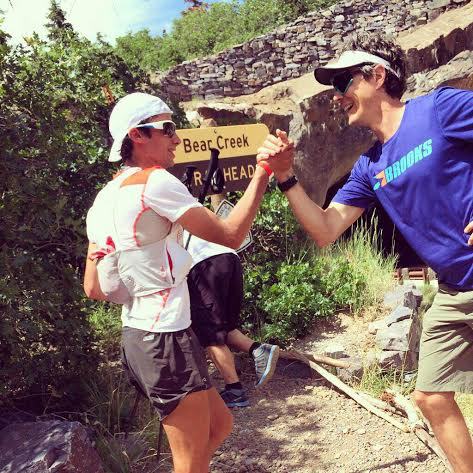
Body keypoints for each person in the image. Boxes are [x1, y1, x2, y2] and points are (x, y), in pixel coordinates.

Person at [257, 33, 473, 473]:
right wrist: (285, 176)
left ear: (378, 76)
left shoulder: (440, 109)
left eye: (345, 83)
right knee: (430, 396)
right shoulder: (369, 167)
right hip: (455, 292)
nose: (338, 97)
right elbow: (324, 229)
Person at [83, 92, 287, 473]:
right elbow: (230, 235)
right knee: (190, 462)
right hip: (164, 340)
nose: (177, 138)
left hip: (142, 336)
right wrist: (263, 173)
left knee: (220, 424)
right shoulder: (156, 182)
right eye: (168, 128)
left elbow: (93, 288)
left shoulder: (104, 198)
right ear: (138, 136)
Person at [185, 233, 280, 408]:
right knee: (224, 327)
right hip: (229, 257)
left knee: (210, 334)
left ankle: (235, 391)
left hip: (204, 264)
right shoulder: (187, 214)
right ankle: (259, 350)